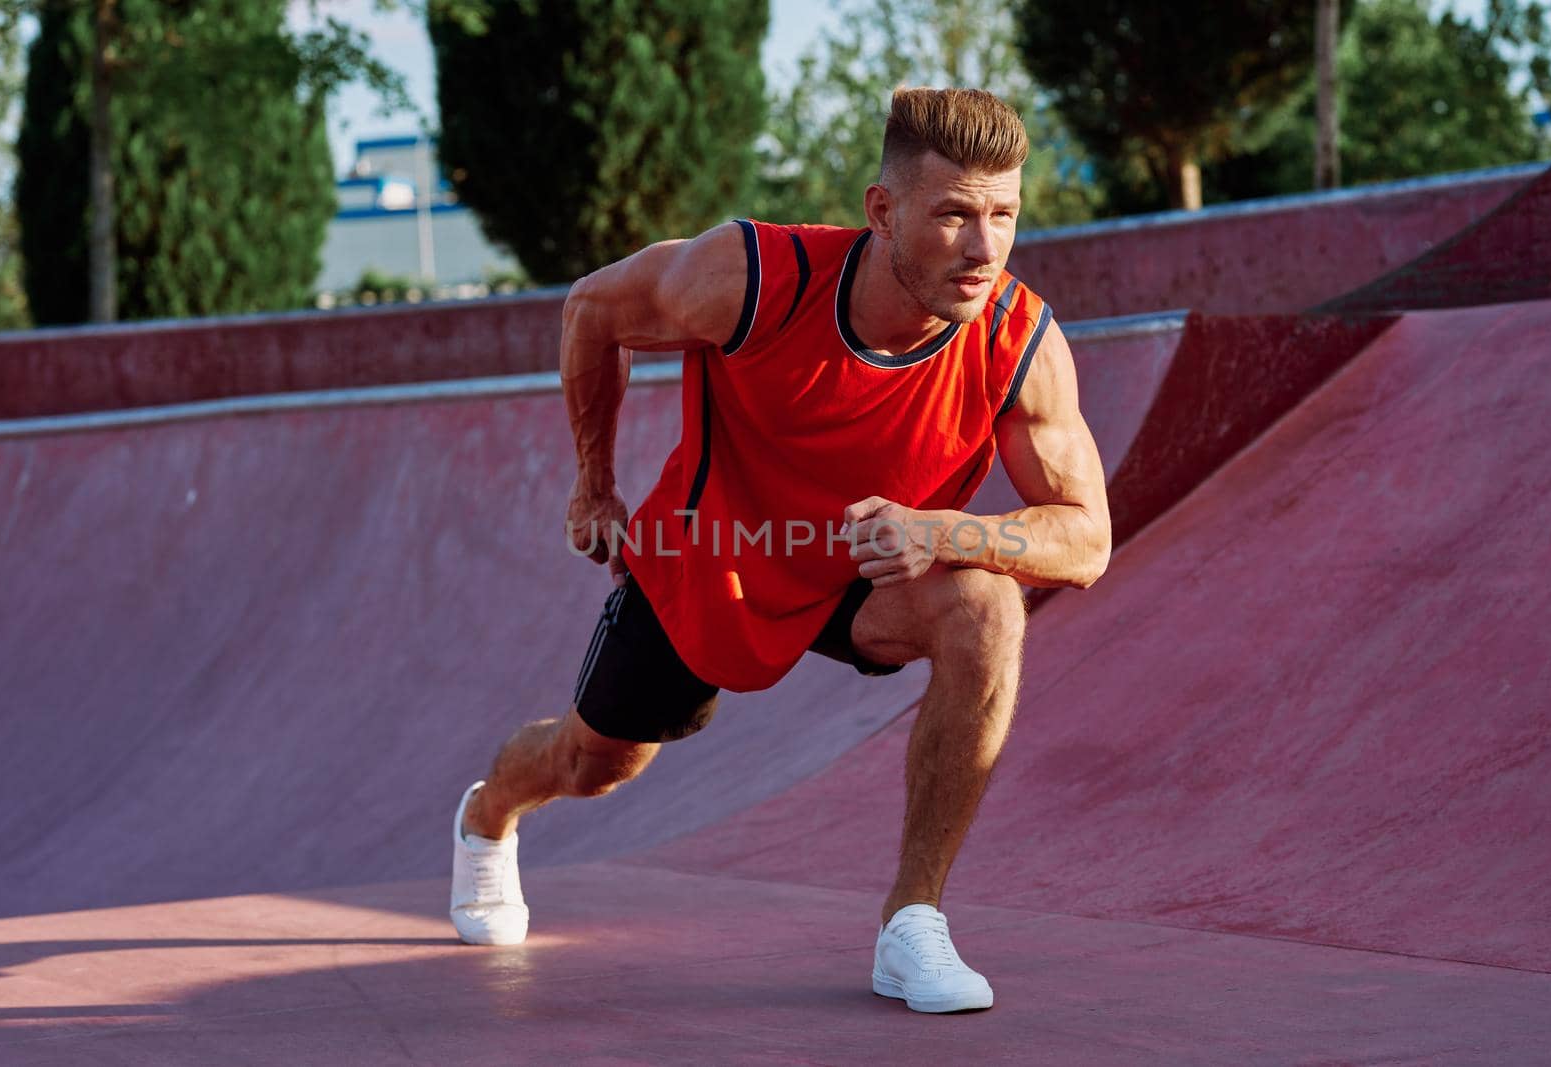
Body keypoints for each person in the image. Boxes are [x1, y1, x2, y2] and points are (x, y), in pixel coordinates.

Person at [448, 87, 1110, 1014]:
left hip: (862, 570)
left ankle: (912, 921)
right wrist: (595, 481)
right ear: (882, 211)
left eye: (1003, 215)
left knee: (987, 605)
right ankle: (487, 816)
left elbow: (1085, 538)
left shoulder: (1017, 341)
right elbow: (593, 309)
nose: (983, 247)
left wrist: (940, 531)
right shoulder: (756, 278)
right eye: (953, 214)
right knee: (593, 762)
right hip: (716, 554)